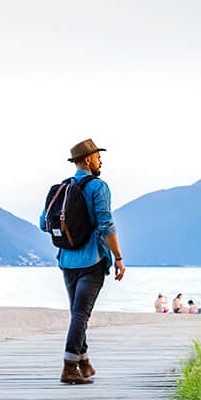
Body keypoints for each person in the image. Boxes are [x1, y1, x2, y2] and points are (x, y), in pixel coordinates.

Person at [39, 138, 123, 384]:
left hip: (66, 259)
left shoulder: (61, 188)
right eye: (98, 157)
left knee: (78, 313)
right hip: (91, 259)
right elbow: (107, 224)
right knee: (81, 315)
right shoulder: (99, 187)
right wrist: (118, 257)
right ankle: (69, 367)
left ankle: (84, 363)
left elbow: (44, 223)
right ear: (88, 159)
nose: (101, 161)